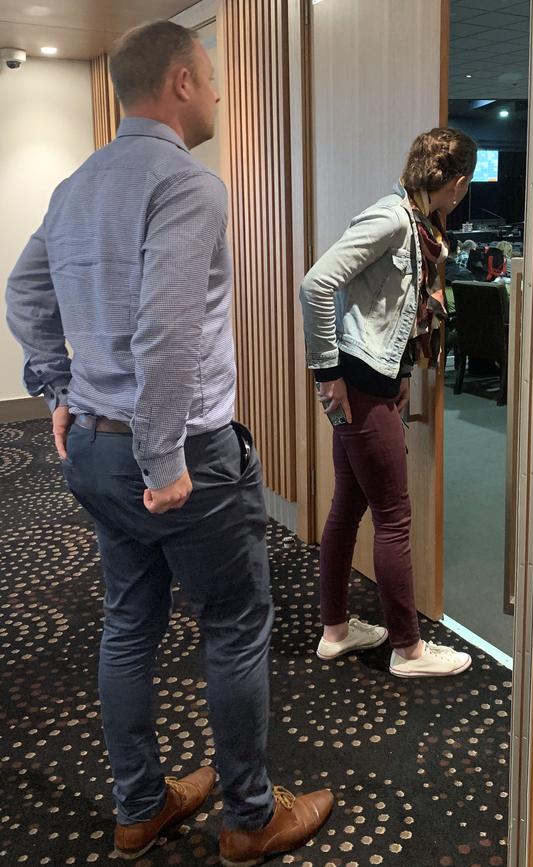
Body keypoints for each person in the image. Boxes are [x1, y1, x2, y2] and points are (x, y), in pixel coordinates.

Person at [5, 19, 332, 866]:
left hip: (94, 455)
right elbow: (166, 330)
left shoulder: (77, 184)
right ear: (181, 82)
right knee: (232, 624)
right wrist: (164, 459)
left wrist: (58, 385)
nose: (221, 92)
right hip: (177, 457)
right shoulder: (187, 184)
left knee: (127, 624)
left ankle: (140, 806)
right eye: (212, 76)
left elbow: (24, 289)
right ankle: (250, 817)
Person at [300, 128, 477, 678]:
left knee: (349, 508)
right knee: (394, 517)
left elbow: (393, 311)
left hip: (374, 378)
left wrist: (400, 371)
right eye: (460, 188)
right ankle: (409, 650)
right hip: (357, 383)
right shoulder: (393, 219)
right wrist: (327, 371)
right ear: (457, 182)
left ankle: (335, 632)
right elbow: (316, 284)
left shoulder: (420, 226)